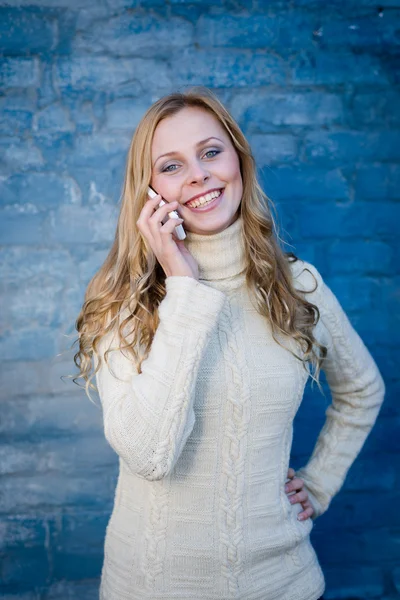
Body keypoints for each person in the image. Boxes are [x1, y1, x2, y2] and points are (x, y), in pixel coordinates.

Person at [74, 87, 385, 600]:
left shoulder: (298, 284)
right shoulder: (123, 304)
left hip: (286, 585)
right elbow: (152, 455)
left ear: (238, 160)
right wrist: (185, 289)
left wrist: (319, 482)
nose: (198, 175)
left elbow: (363, 391)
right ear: (149, 190)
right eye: (171, 166)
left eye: (211, 152)